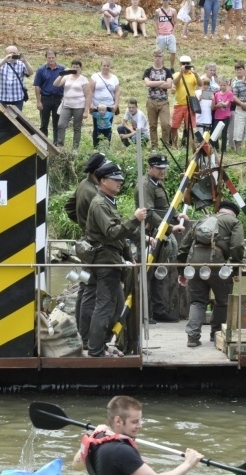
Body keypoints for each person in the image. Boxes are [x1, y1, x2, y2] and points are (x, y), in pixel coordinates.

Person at [83, 162, 147, 358]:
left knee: (117, 305)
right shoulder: (100, 204)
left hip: (112, 259)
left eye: (120, 179)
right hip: (105, 261)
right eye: (115, 179)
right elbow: (112, 233)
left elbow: (119, 236)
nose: (120, 182)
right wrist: (135, 219)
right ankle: (95, 349)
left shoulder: (109, 202)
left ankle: (101, 344)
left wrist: (129, 256)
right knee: (105, 306)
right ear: (103, 181)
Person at [71, 395, 203, 475]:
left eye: (140, 420)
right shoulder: (121, 450)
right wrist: (188, 464)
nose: (140, 425)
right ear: (118, 421)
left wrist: (93, 434)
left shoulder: (97, 438)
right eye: (134, 422)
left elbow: (76, 465)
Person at [177, 200, 244, 346]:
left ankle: (192, 337)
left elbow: (184, 247)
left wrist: (182, 271)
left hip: (195, 265)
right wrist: (236, 269)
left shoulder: (202, 220)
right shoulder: (234, 222)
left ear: (219, 210)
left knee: (197, 301)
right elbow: (237, 246)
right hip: (218, 265)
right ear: (234, 213)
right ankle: (217, 335)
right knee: (222, 301)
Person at [136, 154, 186, 323]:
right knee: (146, 274)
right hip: (149, 234)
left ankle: (158, 310)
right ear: (150, 168)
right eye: (158, 168)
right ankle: (143, 313)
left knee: (158, 273)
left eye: (164, 168)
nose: (162, 171)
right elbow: (149, 213)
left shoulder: (157, 183)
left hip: (159, 234)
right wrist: (170, 227)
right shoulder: (145, 185)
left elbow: (164, 208)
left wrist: (177, 215)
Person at [71, 152, 108, 350]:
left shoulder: (83, 185)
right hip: (94, 246)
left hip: (87, 243)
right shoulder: (93, 193)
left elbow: (69, 207)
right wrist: (89, 226)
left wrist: (82, 223)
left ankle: (82, 333)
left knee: (84, 287)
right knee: (90, 290)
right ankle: (85, 337)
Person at [54, 60, 89, 148]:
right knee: (61, 125)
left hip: (79, 106)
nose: (75, 69)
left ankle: (75, 148)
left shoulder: (84, 80)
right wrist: (62, 74)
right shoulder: (67, 77)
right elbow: (55, 84)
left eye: (77, 67)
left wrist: (86, 111)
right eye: (73, 67)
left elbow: (87, 96)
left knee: (77, 127)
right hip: (66, 105)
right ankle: (60, 145)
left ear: (81, 68)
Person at [142, 50, 173, 150]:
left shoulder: (167, 71)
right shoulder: (148, 71)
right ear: (153, 57)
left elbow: (169, 85)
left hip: (163, 101)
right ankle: (154, 146)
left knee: (165, 124)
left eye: (159, 57)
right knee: (152, 125)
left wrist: (154, 83)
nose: (157, 59)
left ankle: (165, 145)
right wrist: (162, 82)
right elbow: (147, 83)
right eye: (156, 56)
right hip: (151, 100)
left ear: (162, 58)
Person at [87, 58, 121, 147]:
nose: (106, 67)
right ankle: (96, 147)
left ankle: (106, 147)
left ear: (110, 67)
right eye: (104, 65)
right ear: (101, 66)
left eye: (108, 66)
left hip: (109, 107)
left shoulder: (114, 78)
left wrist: (116, 105)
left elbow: (117, 92)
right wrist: (90, 104)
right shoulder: (95, 76)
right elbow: (91, 91)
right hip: (97, 107)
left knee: (108, 127)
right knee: (97, 127)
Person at [33, 48, 65, 139]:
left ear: (56, 57)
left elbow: (66, 84)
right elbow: (37, 86)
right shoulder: (41, 70)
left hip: (58, 99)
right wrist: (38, 101)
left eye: (53, 57)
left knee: (57, 123)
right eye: (49, 58)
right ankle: (43, 143)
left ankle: (56, 144)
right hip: (45, 99)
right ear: (46, 58)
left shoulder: (62, 69)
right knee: (44, 124)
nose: (51, 59)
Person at [0, 45, 32, 111]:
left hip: (17, 97)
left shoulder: (21, 63)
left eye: (14, 53)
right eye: (10, 53)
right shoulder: (0, 61)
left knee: (17, 117)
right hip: (2, 97)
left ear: (18, 54)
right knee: (1, 116)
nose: (12, 55)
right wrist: (5, 60)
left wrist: (25, 61)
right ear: (6, 54)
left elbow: (30, 72)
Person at [172, 55, 200, 147]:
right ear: (180, 64)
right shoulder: (176, 74)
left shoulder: (193, 75)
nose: (185, 65)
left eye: (187, 63)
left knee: (191, 128)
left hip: (190, 105)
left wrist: (196, 74)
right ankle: (174, 146)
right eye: (183, 63)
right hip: (179, 104)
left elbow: (200, 84)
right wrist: (181, 73)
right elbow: (174, 83)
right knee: (174, 126)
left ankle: (191, 147)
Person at [154, 0, 178, 70]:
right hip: (161, 34)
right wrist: (158, 34)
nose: (165, 1)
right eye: (163, 0)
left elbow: (176, 22)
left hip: (170, 34)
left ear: (169, 0)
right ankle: (162, 67)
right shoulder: (157, 11)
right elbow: (154, 23)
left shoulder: (173, 11)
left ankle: (171, 67)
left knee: (173, 51)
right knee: (160, 53)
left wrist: (173, 32)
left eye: (166, 0)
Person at [212, 78, 233, 153]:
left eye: (224, 85)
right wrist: (217, 105)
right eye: (221, 85)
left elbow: (227, 103)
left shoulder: (229, 93)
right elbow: (214, 106)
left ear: (227, 85)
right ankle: (216, 148)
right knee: (216, 132)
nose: (223, 87)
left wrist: (222, 104)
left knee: (224, 132)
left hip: (226, 116)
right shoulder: (217, 94)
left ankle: (223, 149)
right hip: (217, 116)